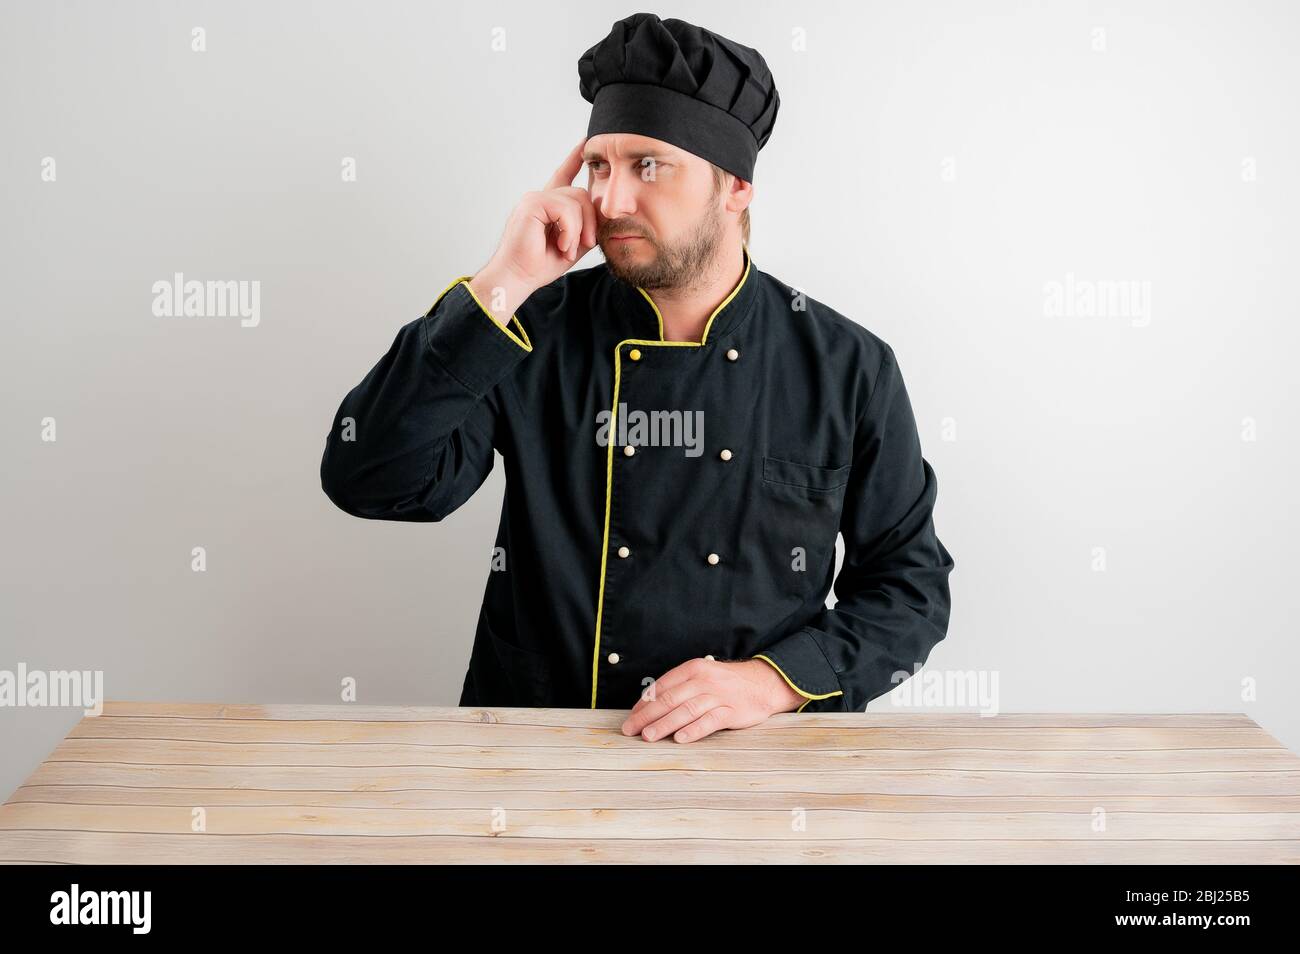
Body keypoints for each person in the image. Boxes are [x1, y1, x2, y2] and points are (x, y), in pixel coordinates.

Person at [320, 12, 955, 743]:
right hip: (536, 754)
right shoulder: (529, 327)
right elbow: (370, 481)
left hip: (754, 764)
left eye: (648, 165)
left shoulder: (846, 367)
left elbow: (909, 592)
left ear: (736, 187)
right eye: (599, 166)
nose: (611, 200)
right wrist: (503, 280)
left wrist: (772, 681)